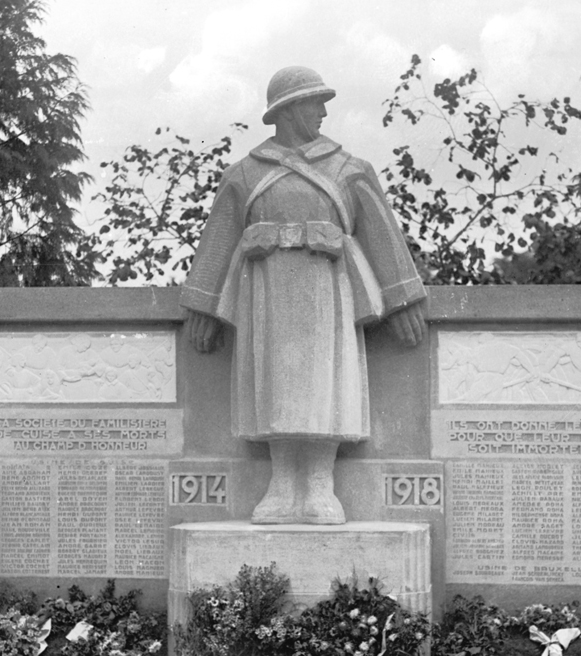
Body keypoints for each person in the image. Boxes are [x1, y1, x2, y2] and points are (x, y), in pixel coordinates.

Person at [180, 66, 428, 524]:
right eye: (315, 102)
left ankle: (318, 483)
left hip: (326, 288)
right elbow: (218, 240)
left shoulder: (350, 170)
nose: (323, 112)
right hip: (266, 289)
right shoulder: (244, 174)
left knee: (326, 384)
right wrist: (202, 306)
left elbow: (381, 236)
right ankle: (280, 484)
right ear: (289, 109)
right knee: (271, 385)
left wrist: (402, 300)